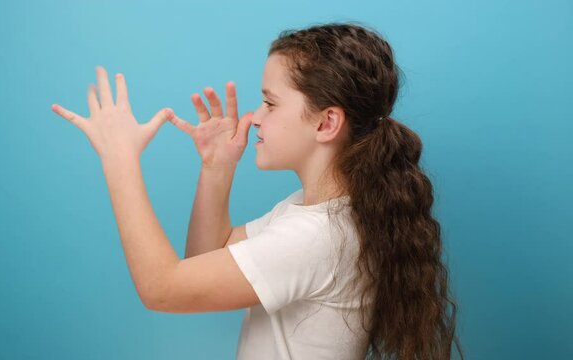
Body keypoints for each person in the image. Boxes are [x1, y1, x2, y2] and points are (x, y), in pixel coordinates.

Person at [52, 21, 463, 360]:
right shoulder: (314, 212)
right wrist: (217, 169)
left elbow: (163, 289)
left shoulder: (316, 237)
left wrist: (119, 158)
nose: (253, 117)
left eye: (270, 103)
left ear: (325, 123)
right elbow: (206, 259)